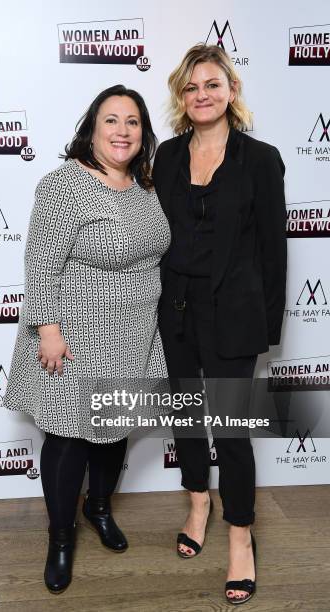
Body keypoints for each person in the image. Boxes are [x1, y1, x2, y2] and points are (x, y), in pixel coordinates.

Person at [3, 84, 171, 594]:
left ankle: (99, 509)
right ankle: (60, 537)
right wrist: (48, 332)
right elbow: (41, 264)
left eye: (133, 122)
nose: (123, 131)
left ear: (144, 133)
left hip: (136, 332)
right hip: (75, 336)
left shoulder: (146, 186)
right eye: (111, 121)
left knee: (113, 429)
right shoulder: (64, 185)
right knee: (68, 436)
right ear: (92, 130)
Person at [153, 44, 287, 605]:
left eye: (212, 84)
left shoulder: (260, 158)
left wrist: (267, 328)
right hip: (176, 307)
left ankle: (239, 535)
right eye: (191, 87)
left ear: (231, 90)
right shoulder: (164, 155)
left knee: (230, 430)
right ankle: (197, 502)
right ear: (181, 98)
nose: (202, 94)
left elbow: (274, 249)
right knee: (186, 417)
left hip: (233, 313)